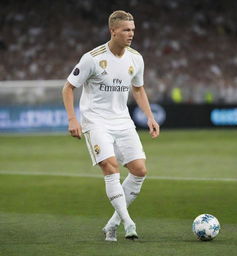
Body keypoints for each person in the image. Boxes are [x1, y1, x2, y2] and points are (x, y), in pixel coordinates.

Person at [62, 10, 160, 242]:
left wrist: (150, 117)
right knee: (111, 166)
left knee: (139, 170)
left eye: (133, 30)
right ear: (113, 31)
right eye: (126, 30)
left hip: (123, 121)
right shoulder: (92, 58)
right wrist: (72, 119)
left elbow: (138, 88)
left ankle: (112, 224)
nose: (131, 34)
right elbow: (68, 87)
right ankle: (128, 223)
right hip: (96, 121)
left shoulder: (136, 58)